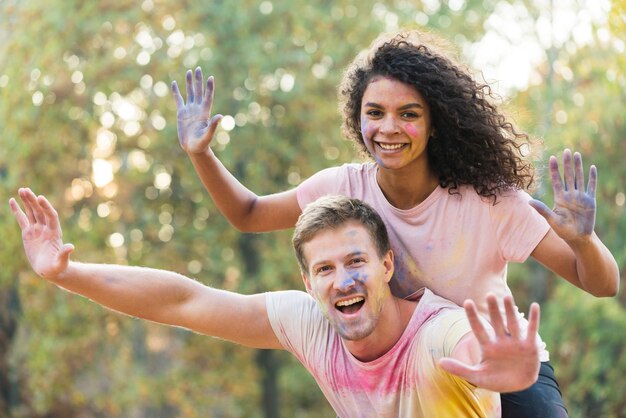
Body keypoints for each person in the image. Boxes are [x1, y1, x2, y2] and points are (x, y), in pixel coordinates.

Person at [170, 29, 619, 417]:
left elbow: (601, 283)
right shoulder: (342, 187)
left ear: (434, 124)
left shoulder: (490, 200)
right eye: (375, 113)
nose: (389, 128)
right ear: (357, 118)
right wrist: (201, 154)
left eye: (409, 114)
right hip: (410, 369)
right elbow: (247, 214)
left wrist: (582, 242)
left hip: (500, 360)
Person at [10, 189, 540, 417]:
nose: (342, 280)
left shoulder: (434, 333)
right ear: (308, 282)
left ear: (386, 266)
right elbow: (182, 300)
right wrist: (67, 273)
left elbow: (469, 346)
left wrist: (513, 372)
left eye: (356, 262)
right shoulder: (309, 323)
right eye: (325, 269)